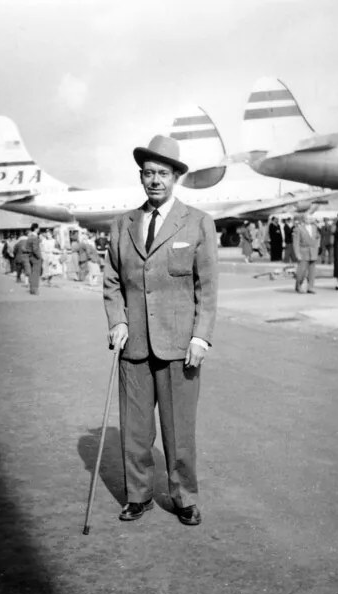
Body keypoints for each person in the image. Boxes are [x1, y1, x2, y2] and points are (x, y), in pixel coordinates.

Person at [103, 135, 218, 526]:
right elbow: (112, 281)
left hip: (180, 346)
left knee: (179, 430)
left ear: (176, 177)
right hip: (133, 344)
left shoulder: (199, 222)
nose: (155, 180)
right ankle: (138, 495)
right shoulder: (122, 225)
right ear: (141, 177)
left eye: (163, 173)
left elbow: (208, 287)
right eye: (148, 173)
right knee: (134, 430)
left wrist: (201, 336)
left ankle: (184, 497)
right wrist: (117, 320)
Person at [293, 213, 320, 294]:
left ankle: (310, 287)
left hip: (313, 251)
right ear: (304, 219)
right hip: (303, 251)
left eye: (311, 218)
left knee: (312, 271)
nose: (310, 220)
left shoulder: (315, 227)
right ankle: (298, 285)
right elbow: (296, 243)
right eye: (308, 218)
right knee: (301, 271)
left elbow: (317, 237)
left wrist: (317, 247)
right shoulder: (298, 228)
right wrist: (297, 254)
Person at [25, 223, 42, 295]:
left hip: (30, 256)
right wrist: (39, 256)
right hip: (35, 257)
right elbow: (35, 249)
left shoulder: (29, 237)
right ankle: (35, 289)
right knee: (36, 273)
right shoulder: (35, 237)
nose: (39, 229)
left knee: (32, 273)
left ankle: (32, 288)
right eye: (38, 228)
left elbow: (26, 247)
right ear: (36, 228)